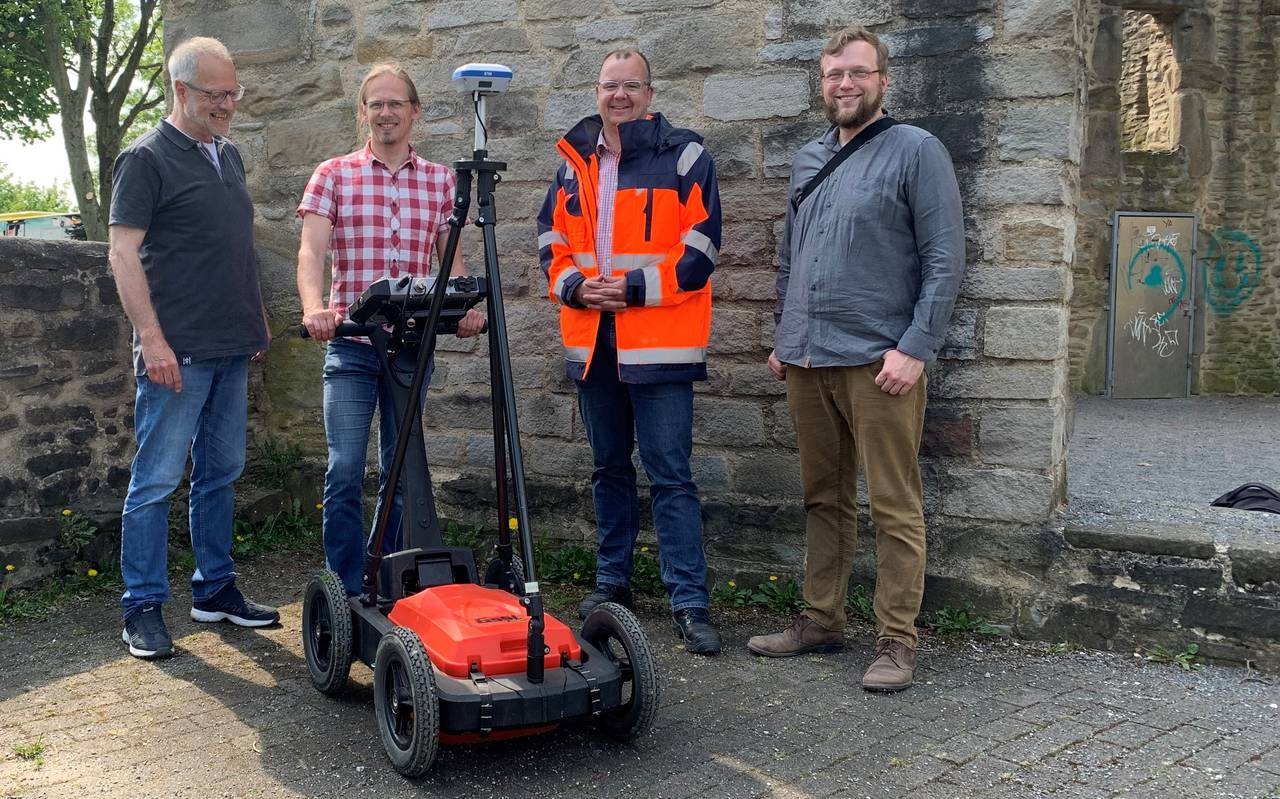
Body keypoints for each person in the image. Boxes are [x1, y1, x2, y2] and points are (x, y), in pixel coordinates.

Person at [746, 25, 965, 692]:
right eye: (834, 73)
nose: (845, 83)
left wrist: (915, 348)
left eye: (858, 73)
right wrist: (786, 336)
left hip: (880, 362)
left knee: (894, 505)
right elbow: (791, 257)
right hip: (807, 360)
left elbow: (945, 259)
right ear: (823, 82)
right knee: (823, 498)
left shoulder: (916, 151)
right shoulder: (809, 158)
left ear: (882, 81)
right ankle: (822, 618)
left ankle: (897, 639)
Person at [537, 49, 723, 655]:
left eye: (631, 86)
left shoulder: (686, 155)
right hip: (594, 340)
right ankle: (612, 585)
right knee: (608, 470)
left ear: (650, 92)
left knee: (671, 477)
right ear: (597, 92)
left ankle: (689, 602)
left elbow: (702, 246)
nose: (620, 96)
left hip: (660, 342)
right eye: (610, 86)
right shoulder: (574, 163)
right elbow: (551, 239)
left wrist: (636, 288)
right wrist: (574, 286)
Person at [108, 36, 278, 660]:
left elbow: (232, 246)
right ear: (180, 90)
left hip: (232, 346)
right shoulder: (145, 159)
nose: (228, 104)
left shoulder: (227, 156)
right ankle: (143, 607)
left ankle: (215, 590)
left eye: (234, 93)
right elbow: (122, 254)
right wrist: (152, 340)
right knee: (154, 482)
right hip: (175, 353)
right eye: (216, 94)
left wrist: (253, 314)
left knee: (220, 473)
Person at [297, 63, 484, 597]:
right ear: (363, 112)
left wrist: (464, 309)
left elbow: (452, 262)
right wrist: (316, 309)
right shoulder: (332, 174)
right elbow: (310, 251)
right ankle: (344, 589)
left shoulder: (441, 180)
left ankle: (390, 578)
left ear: (414, 111)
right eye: (374, 103)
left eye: (395, 103)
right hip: (352, 347)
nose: (385, 112)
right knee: (345, 469)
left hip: (410, 349)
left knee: (403, 474)